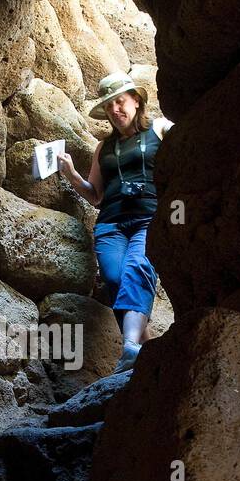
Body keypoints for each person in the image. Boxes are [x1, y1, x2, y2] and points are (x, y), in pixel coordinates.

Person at [58, 71, 173, 374]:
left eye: (120, 102)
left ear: (136, 100)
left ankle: (130, 348)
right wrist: (71, 175)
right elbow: (95, 196)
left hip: (148, 218)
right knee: (115, 279)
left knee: (138, 267)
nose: (115, 110)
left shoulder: (160, 128)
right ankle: (146, 354)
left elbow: (189, 153)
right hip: (111, 224)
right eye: (109, 107)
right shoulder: (102, 148)